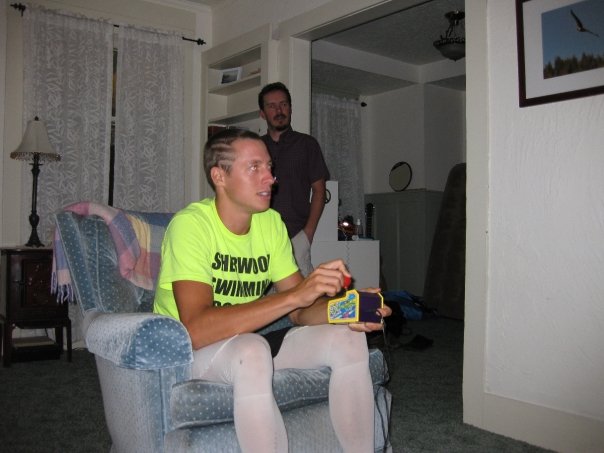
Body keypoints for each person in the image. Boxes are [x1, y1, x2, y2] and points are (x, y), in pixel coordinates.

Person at [153, 128, 390, 453]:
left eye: (269, 167)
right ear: (219, 176)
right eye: (255, 167)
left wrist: (349, 308)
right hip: (186, 355)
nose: (270, 179)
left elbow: (300, 311)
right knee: (252, 350)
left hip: (241, 345)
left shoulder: (270, 224)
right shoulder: (191, 226)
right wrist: (294, 296)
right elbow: (195, 330)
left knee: (348, 337)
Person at [259, 82, 330, 277]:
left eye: (283, 104)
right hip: (259, 237)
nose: (279, 110)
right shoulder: (256, 147)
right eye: (272, 106)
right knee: (262, 293)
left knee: (301, 292)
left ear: (290, 108)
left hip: (296, 236)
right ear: (262, 113)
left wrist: (308, 235)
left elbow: (319, 191)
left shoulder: (307, 144)